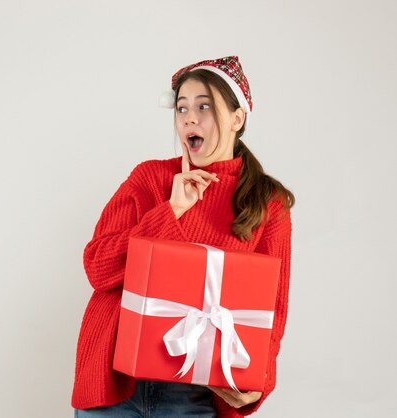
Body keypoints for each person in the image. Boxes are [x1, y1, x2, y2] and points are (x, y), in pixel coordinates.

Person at [71, 56, 295, 418]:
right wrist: (170, 211)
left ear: (237, 119)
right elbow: (98, 268)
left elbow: (273, 310)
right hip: (114, 385)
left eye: (204, 106)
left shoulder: (268, 203)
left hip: (192, 393)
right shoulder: (149, 179)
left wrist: (258, 383)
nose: (189, 118)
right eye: (181, 108)